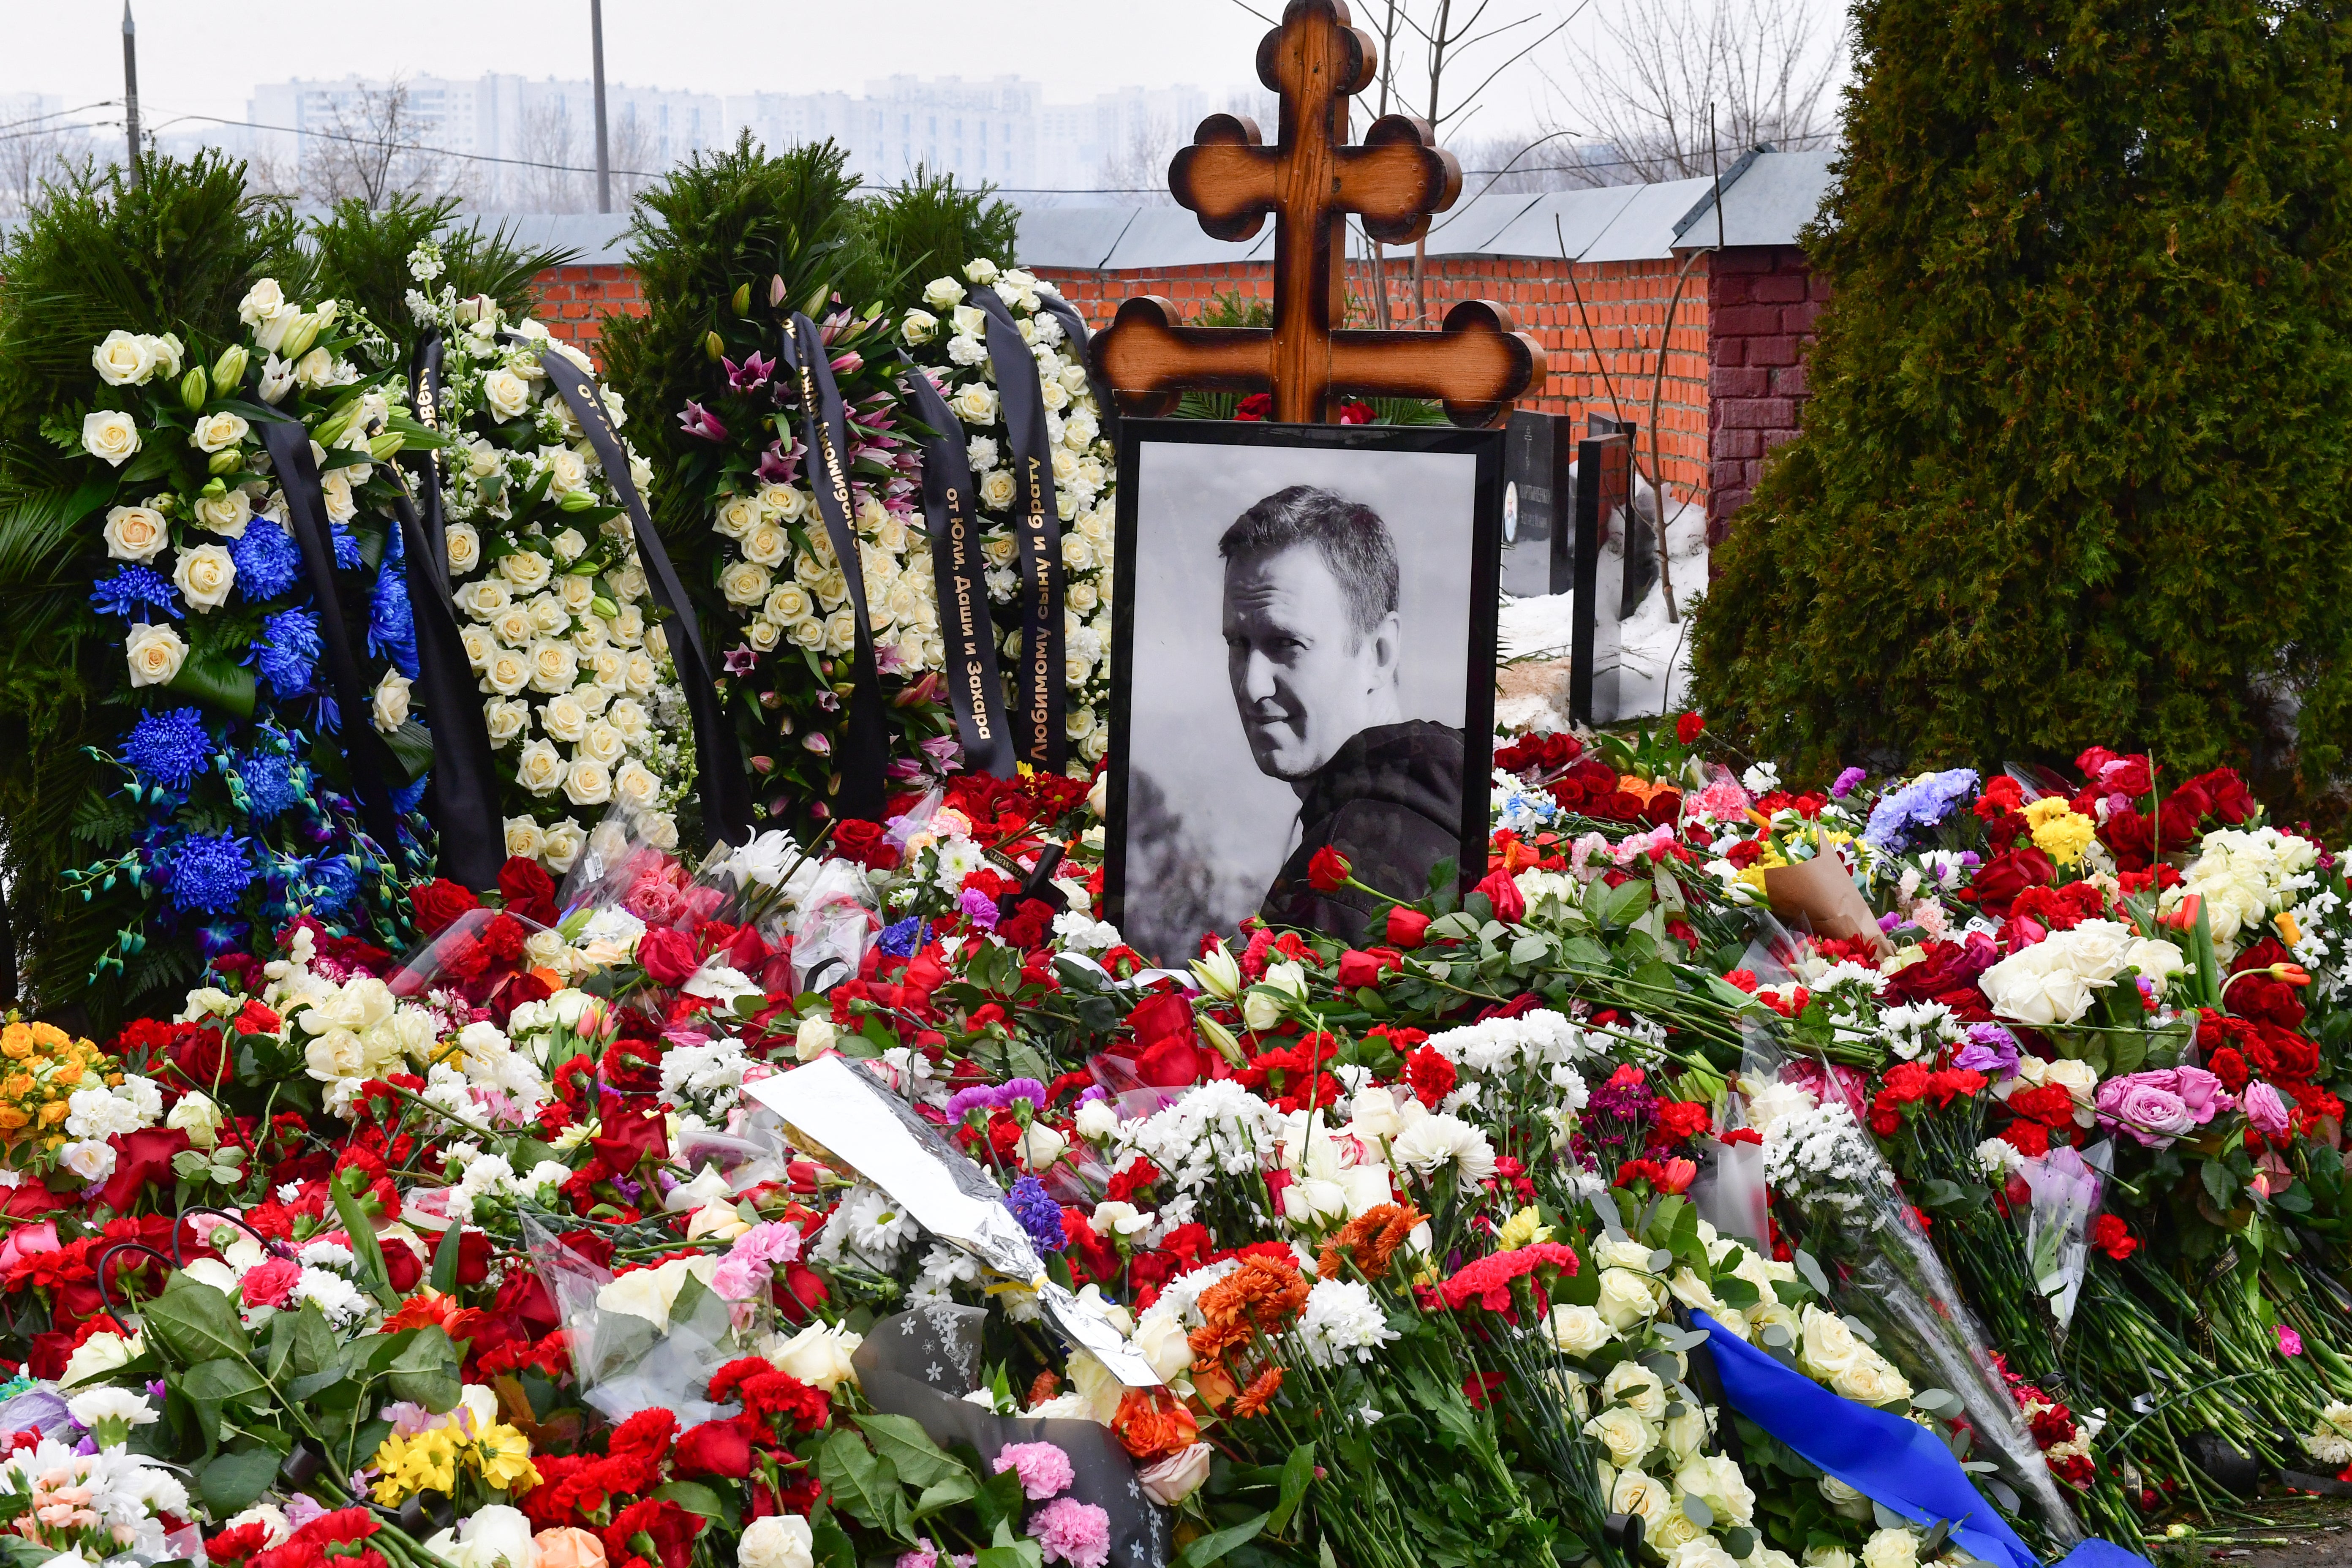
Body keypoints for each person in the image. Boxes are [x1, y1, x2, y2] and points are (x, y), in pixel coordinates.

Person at [1219, 484, 1464, 942]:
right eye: (1238, 644)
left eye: (1287, 644)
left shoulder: (1346, 884)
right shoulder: (1449, 793)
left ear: (1380, 651)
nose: (1252, 685)